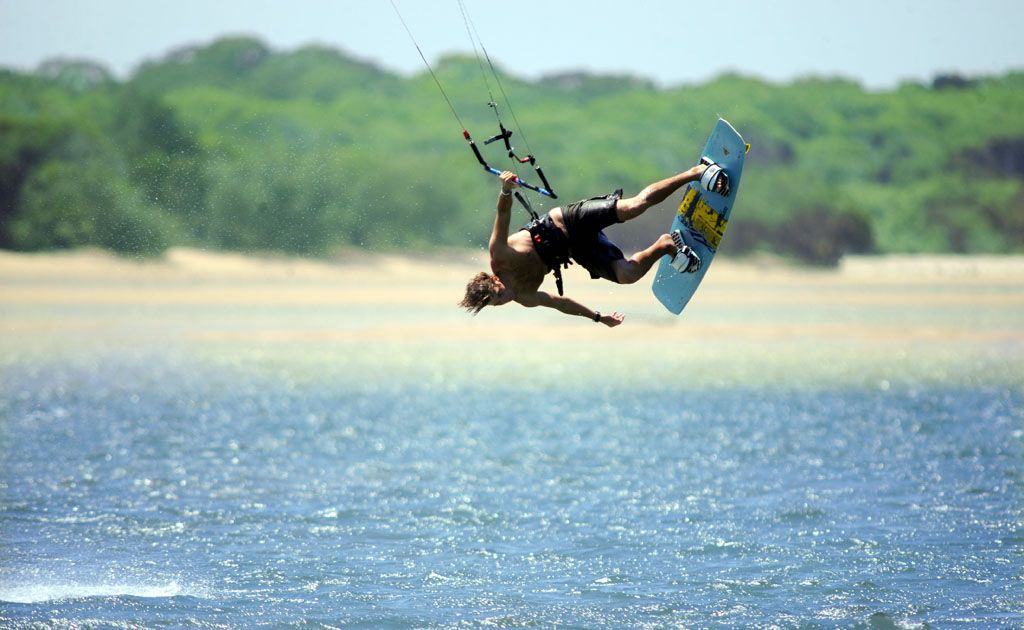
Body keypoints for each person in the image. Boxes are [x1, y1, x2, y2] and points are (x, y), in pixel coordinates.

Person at [458, 160, 730, 326]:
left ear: (494, 280)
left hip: (567, 221)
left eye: (497, 295)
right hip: (576, 249)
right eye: (497, 304)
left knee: (634, 206)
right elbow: (560, 303)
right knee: (627, 275)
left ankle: (696, 173)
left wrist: (505, 189)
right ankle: (665, 245)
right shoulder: (525, 298)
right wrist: (597, 317)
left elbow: (503, 213)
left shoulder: (500, 255)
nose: (503, 300)